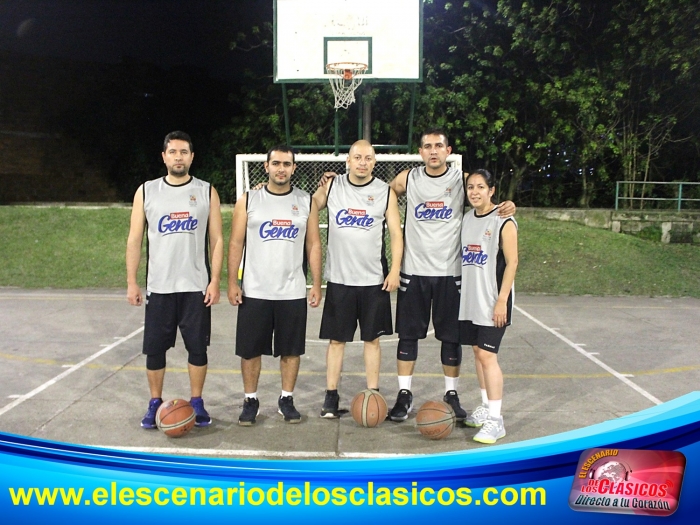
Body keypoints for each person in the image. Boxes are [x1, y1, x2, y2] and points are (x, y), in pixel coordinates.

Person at [386, 129, 515, 423]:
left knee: (451, 338)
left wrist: (508, 205)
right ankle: (404, 394)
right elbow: (387, 191)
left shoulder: (461, 180)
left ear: (448, 150)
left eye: (438, 146)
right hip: (414, 270)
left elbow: (483, 197)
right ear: (420, 151)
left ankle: (451, 393)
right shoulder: (408, 178)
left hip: (450, 273)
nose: (433, 151)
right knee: (408, 336)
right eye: (427, 146)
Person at [126, 130, 224, 429]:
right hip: (160, 286)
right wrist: (132, 281)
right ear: (164, 156)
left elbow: (217, 239)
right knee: (155, 350)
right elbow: (134, 239)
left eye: (184, 152)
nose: (178, 157)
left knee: (197, 349)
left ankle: (197, 402)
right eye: (173, 152)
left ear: (192, 157)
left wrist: (215, 279)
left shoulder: (207, 191)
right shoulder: (146, 191)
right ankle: (155, 402)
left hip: (195, 287)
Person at [228, 145, 322, 426]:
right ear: (266, 167)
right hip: (255, 290)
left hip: (292, 290)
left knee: (291, 350)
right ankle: (250, 400)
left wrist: (316, 283)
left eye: (287, 164)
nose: (281, 168)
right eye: (276, 163)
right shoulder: (248, 200)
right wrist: (232, 281)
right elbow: (235, 242)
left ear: (294, 168)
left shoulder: (306, 201)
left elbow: (314, 244)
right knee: (250, 350)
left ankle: (286, 398)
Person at [312, 140, 403, 418]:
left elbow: (397, 235)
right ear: (347, 161)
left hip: (373, 279)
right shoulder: (333, 186)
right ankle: (330, 395)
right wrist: (319, 187)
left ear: (374, 162)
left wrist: (395, 269)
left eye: (368, 158)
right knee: (337, 341)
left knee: (372, 340)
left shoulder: (384, 192)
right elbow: (310, 206)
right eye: (357, 157)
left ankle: (373, 392)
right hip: (340, 279)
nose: (363, 162)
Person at [459, 169, 518, 444]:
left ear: (491, 190)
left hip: (495, 300)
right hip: (472, 298)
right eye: (470, 187)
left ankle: (496, 420)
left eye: (480, 187)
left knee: (487, 356)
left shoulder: (504, 220)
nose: (474, 192)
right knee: (477, 352)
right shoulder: (468, 218)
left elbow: (513, 262)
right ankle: (485, 407)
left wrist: (502, 300)